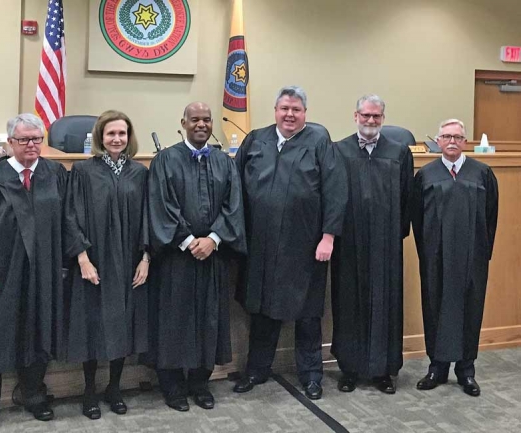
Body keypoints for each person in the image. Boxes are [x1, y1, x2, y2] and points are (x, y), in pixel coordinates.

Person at [233, 86, 348, 400]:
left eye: (296, 109)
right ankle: (256, 370)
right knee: (262, 310)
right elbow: (235, 187)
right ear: (275, 110)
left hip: (305, 244)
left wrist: (328, 237)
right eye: (284, 108)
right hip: (261, 244)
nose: (289, 115)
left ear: (305, 114)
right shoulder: (256, 140)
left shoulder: (319, 142)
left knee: (308, 314)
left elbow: (336, 192)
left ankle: (312, 376)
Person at [0, 113, 66, 430]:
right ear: (10, 143)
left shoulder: (55, 174)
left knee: (38, 331)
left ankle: (34, 395)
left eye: (37, 139)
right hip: (3, 270)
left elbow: (67, 222)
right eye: (24, 139)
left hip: (44, 269)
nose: (31, 145)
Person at [147, 102, 246, 411]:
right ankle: (173, 385)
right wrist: (189, 241)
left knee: (209, 318)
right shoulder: (165, 160)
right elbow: (161, 206)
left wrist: (214, 239)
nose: (201, 124)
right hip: (177, 258)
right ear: (183, 122)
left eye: (206, 119)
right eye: (195, 120)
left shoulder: (223, 161)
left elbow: (234, 205)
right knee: (175, 320)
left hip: (212, 256)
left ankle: (200, 382)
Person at [63, 110, 149, 419]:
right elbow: (70, 216)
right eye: (111, 133)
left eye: (122, 133)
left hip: (128, 261)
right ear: (100, 137)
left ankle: (114, 388)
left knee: (122, 324)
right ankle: (89, 391)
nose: (116, 139)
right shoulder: (83, 172)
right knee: (92, 326)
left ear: (129, 137)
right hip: (94, 261)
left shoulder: (140, 173)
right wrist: (82, 258)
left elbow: (147, 220)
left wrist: (146, 257)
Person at [331, 94, 413, 394]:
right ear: (355, 116)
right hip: (349, 243)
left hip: (386, 244)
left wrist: (393, 235)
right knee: (349, 302)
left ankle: (384, 371)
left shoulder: (399, 152)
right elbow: (332, 195)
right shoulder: (339, 150)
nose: (370, 121)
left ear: (383, 118)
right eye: (365, 115)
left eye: (376, 116)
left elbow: (407, 198)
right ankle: (349, 369)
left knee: (385, 304)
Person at [412, 119, 498, 397]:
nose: (452, 142)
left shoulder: (482, 173)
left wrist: (483, 253)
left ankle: (466, 370)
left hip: (472, 258)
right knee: (435, 304)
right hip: (436, 257)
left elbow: (491, 217)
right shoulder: (425, 175)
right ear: (437, 140)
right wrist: (426, 253)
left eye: (458, 137)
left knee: (469, 308)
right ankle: (437, 367)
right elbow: (416, 219)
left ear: (465, 142)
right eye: (446, 136)